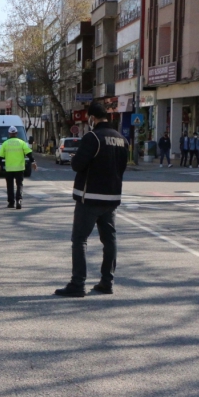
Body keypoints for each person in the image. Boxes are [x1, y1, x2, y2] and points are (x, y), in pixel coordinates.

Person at [55, 101, 129, 297]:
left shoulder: (93, 137)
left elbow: (78, 165)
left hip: (90, 198)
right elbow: (122, 168)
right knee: (110, 241)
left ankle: (77, 284)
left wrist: (74, 159)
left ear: (92, 118)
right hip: (111, 198)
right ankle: (107, 282)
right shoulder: (122, 139)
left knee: (79, 240)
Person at [0, 126, 38, 209]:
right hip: (19, 168)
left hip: (9, 169)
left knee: (10, 186)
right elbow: (29, 153)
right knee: (19, 185)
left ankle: (11, 203)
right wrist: (33, 162)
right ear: (16, 133)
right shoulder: (22, 143)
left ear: (9, 134)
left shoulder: (5, 143)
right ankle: (19, 200)